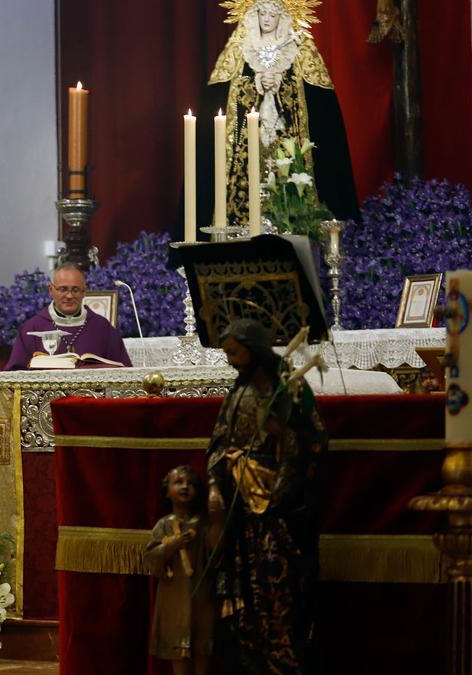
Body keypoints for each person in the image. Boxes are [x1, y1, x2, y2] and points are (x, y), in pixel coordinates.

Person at [207, 318, 326, 674]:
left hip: (278, 510)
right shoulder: (239, 392)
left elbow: (316, 441)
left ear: (254, 351)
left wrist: (284, 434)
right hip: (241, 508)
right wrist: (216, 482)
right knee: (243, 594)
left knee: (279, 595)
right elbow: (220, 441)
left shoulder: (290, 387)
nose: (230, 361)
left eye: (234, 352)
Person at [197, 0, 359, 234]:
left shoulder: (298, 46)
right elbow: (224, 98)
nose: (266, 19)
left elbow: (320, 109)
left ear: (283, 15)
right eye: (262, 13)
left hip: (287, 139)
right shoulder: (239, 48)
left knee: (290, 182)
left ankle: (299, 229)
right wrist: (256, 84)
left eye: (273, 14)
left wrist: (280, 85)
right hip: (248, 147)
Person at [145, 465, 214, 675]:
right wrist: (172, 544)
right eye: (179, 482)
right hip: (174, 595)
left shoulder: (205, 525)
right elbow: (150, 558)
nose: (185, 487)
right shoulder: (164, 525)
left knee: (202, 647)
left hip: (203, 594)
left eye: (191, 483)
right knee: (178, 650)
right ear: (167, 491)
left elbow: (218, 554)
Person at [4, 263, 131, 371]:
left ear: (84, 291)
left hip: (91, 399)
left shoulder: (103, 328)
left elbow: (123, 373)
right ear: (51, 290)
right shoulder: (31, 328)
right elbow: (14, 375)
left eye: (75, 290)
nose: (69, 296)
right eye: (63, 289)